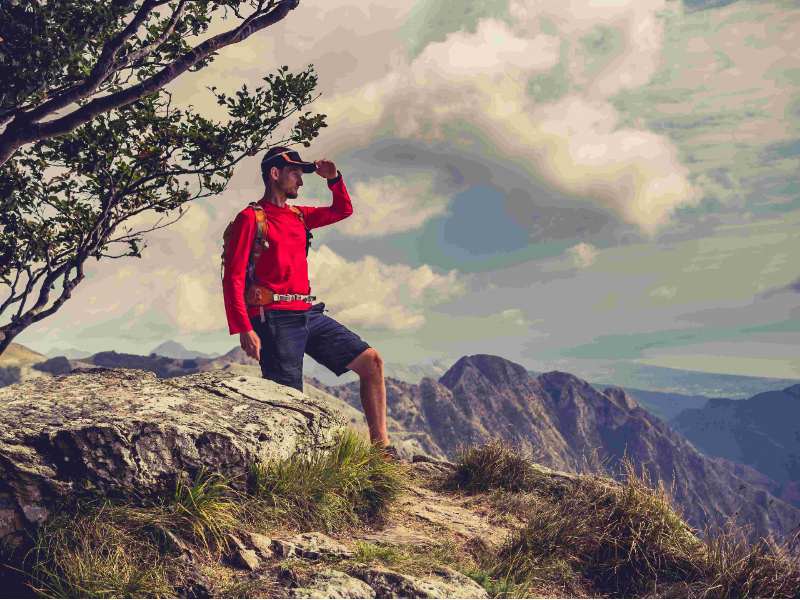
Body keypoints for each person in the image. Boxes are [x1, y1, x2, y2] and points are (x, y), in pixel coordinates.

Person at [222, 146, 393, 453]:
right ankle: (288, 470)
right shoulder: (250, 218)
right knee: (288, 403)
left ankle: (382, 451)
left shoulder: (299, 216)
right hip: (274, 318)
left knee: (372, 362)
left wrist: (334, 179)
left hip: (308, 312)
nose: (300, 181)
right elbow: (233, 277)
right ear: (275, 174)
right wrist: (244, 328)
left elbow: (342, 210)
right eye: (295, 173)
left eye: (302, 174)